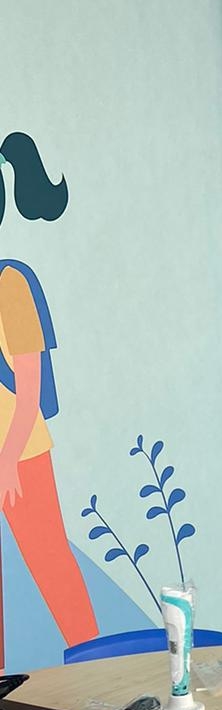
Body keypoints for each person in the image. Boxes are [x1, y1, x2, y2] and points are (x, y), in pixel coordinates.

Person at [0, 132, 97, 662]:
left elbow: (29, 387)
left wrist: (8, 459)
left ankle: (98, 665)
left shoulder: (10, 285)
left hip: (20, 453)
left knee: (50, 562)